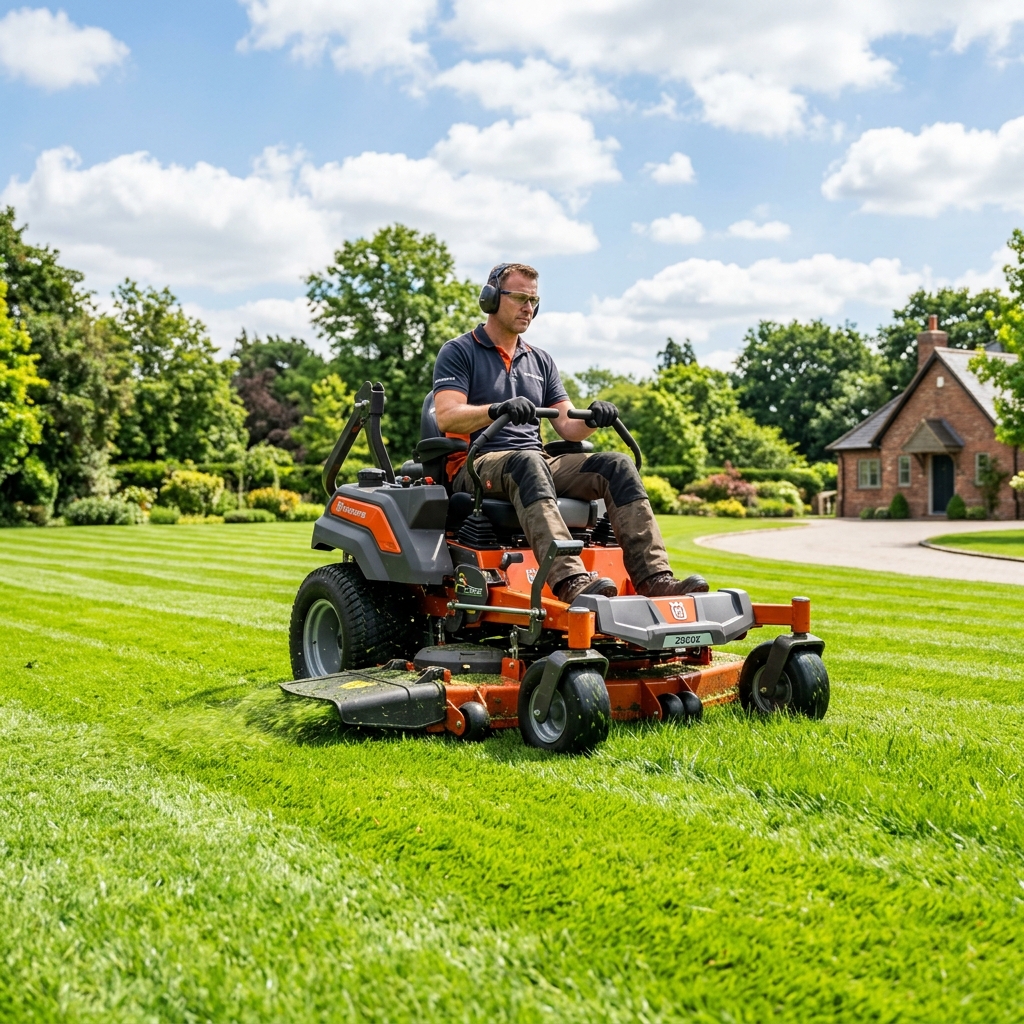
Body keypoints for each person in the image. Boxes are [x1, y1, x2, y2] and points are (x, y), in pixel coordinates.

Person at [432, 262, 709, 606]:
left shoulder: (541, 360)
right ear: (490, 299)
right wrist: (497, 409)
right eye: (519, 297)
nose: (528, 308)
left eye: (533, 300)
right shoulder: (459, 351)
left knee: (617, 464)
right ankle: (570, 581)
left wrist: (595, 416)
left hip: (535, 463)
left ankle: (655, 577)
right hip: (476, 465)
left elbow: (568, 425)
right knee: (529, 461)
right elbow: (447, 416)